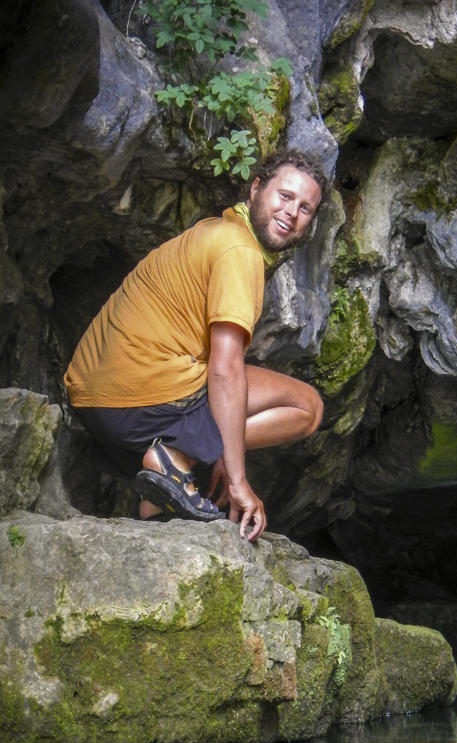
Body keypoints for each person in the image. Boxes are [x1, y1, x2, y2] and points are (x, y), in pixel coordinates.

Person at [64, 148, 327, 541]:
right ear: (255, 188)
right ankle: (175, 457)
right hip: (137, 401)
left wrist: (222, 446)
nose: (292, 212)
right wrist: (237, 477)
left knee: (218, 401)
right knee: (307, 407)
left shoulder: (211, 232)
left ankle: (158, 504)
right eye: (285, 196)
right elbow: (224, 368)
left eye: (305, 208)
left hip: (93, 402)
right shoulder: (240, 251)